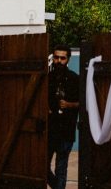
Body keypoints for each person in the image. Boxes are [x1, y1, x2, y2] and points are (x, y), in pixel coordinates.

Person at [47, 44, 79, 189]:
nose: (59, 61)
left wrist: (69, 105)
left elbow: (83, 103)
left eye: (62, 58)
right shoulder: (48, 78)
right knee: (42, 165)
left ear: (68, 59)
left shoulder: (74, 78)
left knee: (61, 167)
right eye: (56, 57)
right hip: (49, 129)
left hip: (66, 129)